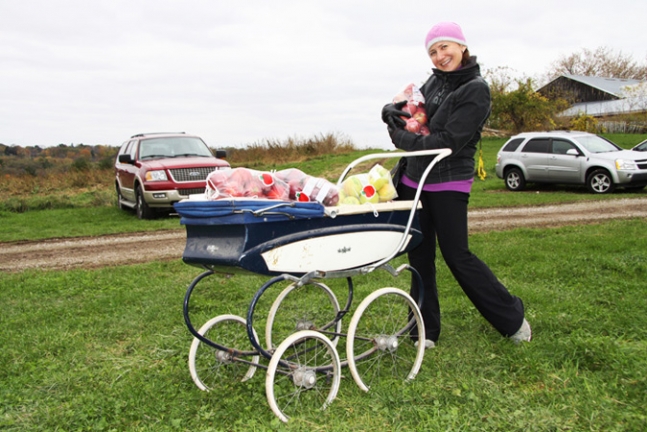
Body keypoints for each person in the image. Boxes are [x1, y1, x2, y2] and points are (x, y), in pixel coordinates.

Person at [381, 21, 531, 348]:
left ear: (461, 46)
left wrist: (398, 136)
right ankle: (425, 330)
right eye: (433, 51)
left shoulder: (476, 89)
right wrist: (394, 110)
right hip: (412, 182)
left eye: (445, 47)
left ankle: (512, 319)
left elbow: (447, 141)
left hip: (448, 184)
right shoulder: (434, 81)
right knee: (419, 256)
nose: (440, 56)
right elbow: (417, 117)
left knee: (457, 255)